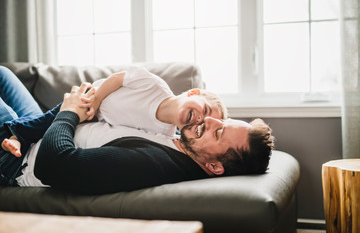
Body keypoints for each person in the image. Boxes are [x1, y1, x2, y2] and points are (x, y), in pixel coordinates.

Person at [0, 66, 274, 194]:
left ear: (214, 167)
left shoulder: (155, 164)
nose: (211, 122)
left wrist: (68, 112)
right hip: (37, 131)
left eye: (218, 133)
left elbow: (53, 165)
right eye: (221, 123)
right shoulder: (178, 139)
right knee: (4, 75)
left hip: (17, 161)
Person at [2, 65, 227, 157]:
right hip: (90, 97)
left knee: (48, 123)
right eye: (204, 110)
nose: (199, 120)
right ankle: (18, 135)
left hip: (88, 119)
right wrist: (97, 98)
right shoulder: (154, 85)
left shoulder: (164, 135)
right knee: (47, 116)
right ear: (192, 92)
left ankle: (16, 136)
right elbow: (118, 79)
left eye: (202, 125)